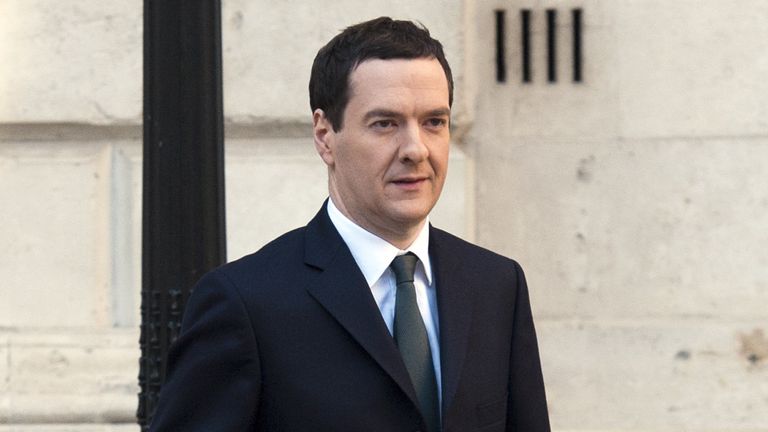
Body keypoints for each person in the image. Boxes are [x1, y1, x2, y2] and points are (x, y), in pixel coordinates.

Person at [150, 17, 550, 432]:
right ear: (325, 135)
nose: (416, 149)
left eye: (434, 122)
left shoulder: (496, 285)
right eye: (385, 124)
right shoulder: (246, 304)